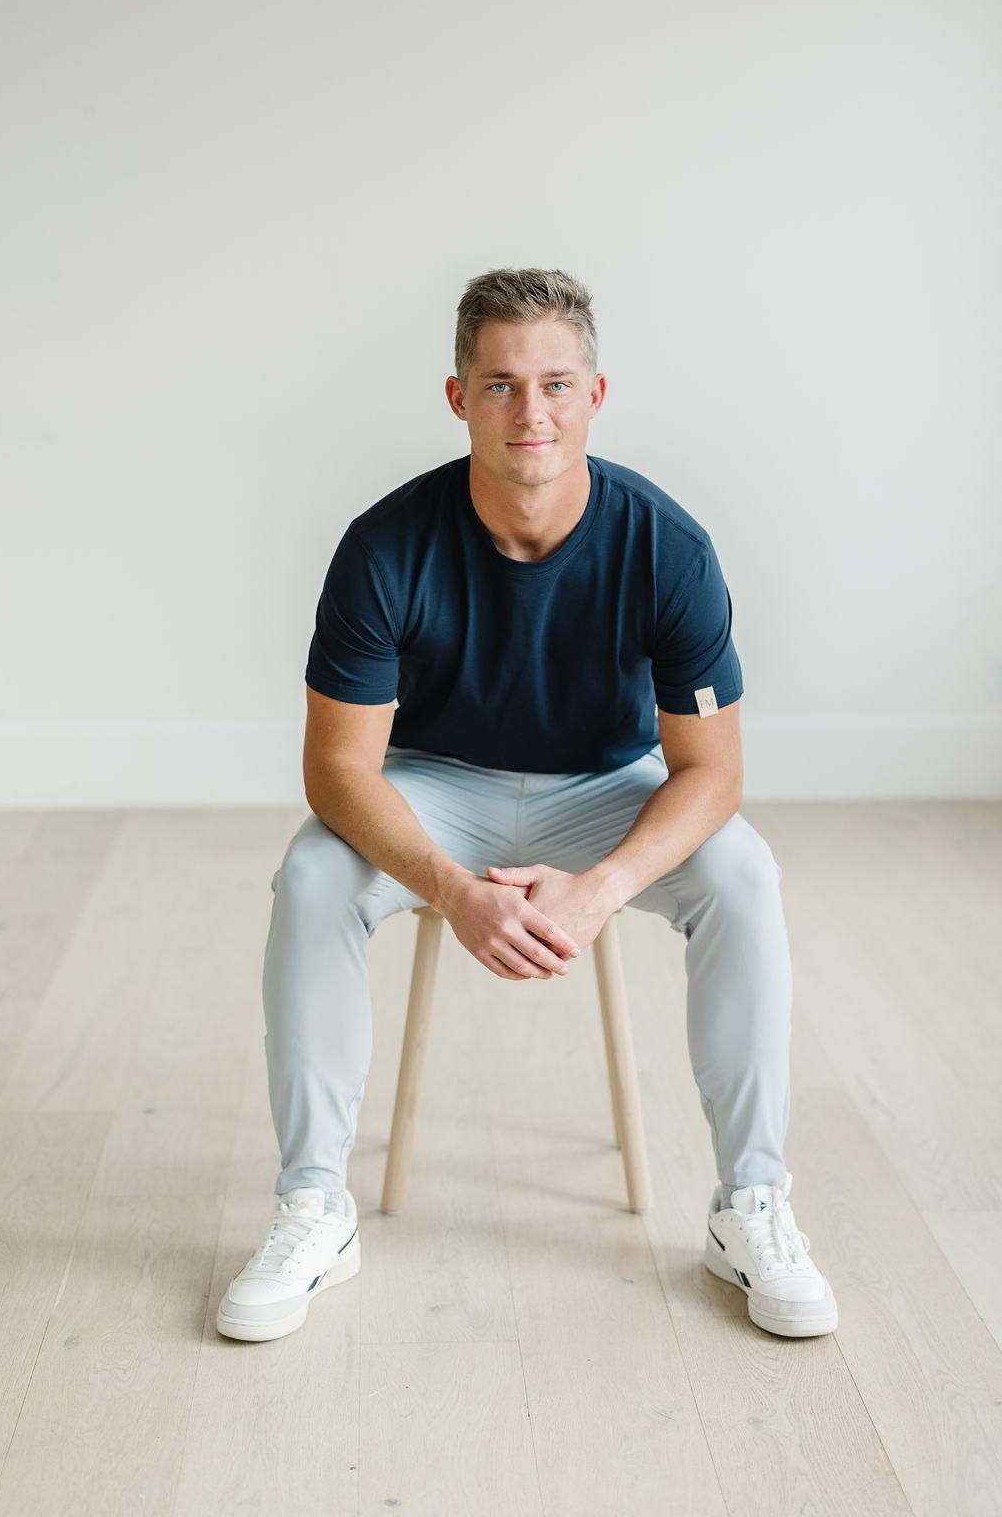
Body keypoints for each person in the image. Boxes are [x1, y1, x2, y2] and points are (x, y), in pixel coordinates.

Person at [216, 267, 837, 1344]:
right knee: (314, 870)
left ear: (596, 394)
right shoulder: (384, 547)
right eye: (500, 384)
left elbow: (712, 772)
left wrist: (601, 890)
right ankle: (314, 1205)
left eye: (554, 383)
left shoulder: (668, 547)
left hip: (605, 788)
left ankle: (751, 1204)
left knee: (741, 869)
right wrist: (453, 891)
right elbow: (339, 772)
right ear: (458, 397)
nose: (530, 411)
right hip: (436, 784)